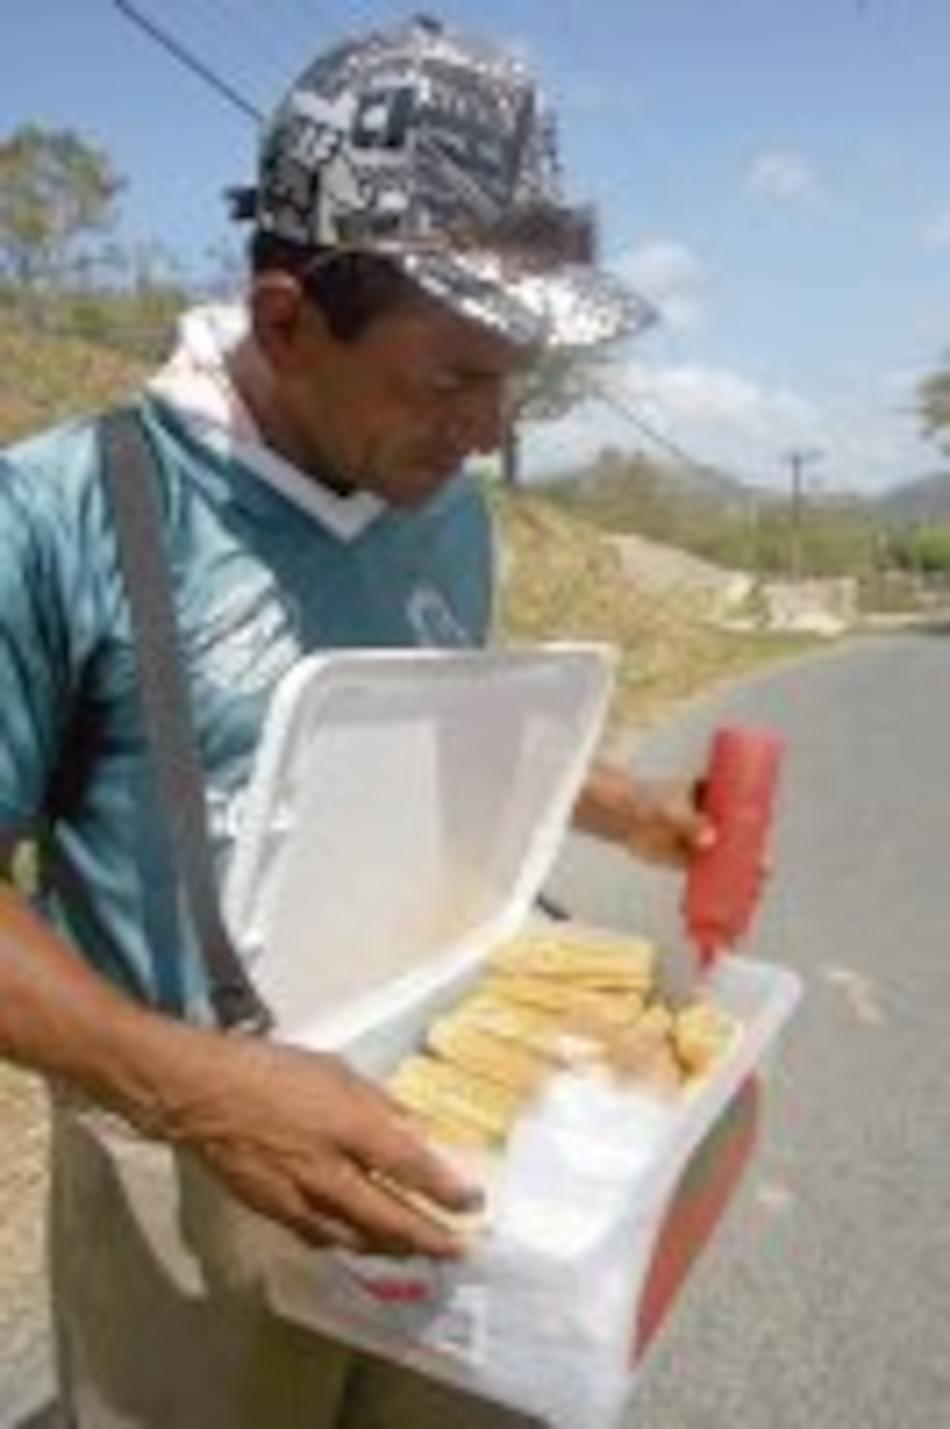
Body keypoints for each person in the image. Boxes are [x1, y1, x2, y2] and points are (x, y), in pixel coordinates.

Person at [0, 15, 710, 1428]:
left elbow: (408, 736)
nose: (491, 426)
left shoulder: (437, 509)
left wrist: (607, 795)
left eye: (513, 375)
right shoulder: (65, 516)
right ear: (284, 317)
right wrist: (198, 1092)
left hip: (444, 1118)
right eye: (452, 373)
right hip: (185, 1166)